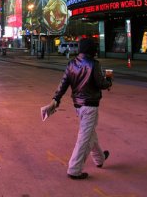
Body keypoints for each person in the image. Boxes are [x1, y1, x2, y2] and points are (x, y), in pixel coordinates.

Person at [42, 37, 113, 180]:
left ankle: (100, 158)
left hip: (78, 106)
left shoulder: (71, 64)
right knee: (84, 138)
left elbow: (63, 85)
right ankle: (74, 169)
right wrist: (109, 80)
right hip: (90, 106)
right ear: (91, 49)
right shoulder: (94, 64)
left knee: (89, 133)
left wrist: (55, 100)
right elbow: (101, 84)